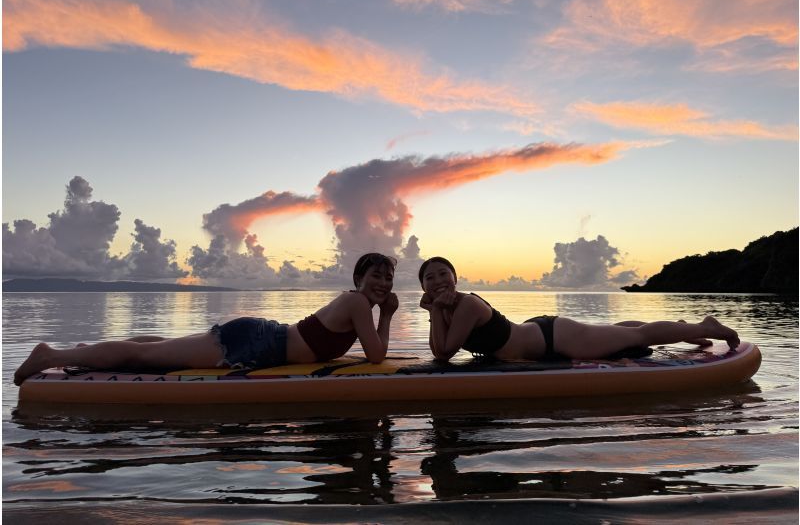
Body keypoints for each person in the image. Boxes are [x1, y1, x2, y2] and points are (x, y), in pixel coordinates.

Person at [14, 253, 399, 385]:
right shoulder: (359, 305)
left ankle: (88, 351)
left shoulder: (356, 305)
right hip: (256, 343)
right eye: (376, 275)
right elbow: (377, 356)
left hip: (262, 339)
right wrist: (388, 313)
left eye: (388, 277)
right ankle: (50, 356)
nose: (383, 283)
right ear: (359, 280)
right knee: (149, 359)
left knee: (161, 349)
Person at [418, 256, 740, 363]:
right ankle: (679, 326)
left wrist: (432, 312)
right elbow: (438, 348)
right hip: (536, 335)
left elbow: (444, 353)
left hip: (553, 338)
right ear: (423, 287)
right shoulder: (447, 308)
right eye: (429, 278)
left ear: (455, 278)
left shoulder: (467, 305)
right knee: (621, 332)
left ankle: (705, 326)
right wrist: (435, 311)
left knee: (637, 336)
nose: (437, 280)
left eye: (443, 273)